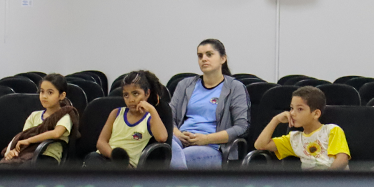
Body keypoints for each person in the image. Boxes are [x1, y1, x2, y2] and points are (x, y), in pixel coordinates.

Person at [170, 39, 250, 169]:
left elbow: (241, 127)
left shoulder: (235, 87)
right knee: (166, 146)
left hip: (212, 146)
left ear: (223, 59)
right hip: (181, 139)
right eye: (200, 56)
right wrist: (177, 133)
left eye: (209, 54)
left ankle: (178, 185)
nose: (203, 59)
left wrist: (206, 139)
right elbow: (169, 117)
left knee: (178, 156)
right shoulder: (185, 84)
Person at [254, 86, 350, 170]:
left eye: (300, 109)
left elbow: (342, 160)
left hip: (334, 180)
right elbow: (261, 145)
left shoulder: (332, 130)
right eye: (291, 108)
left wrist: (323, 179)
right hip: (309, 185)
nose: (292, 113)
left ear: (316, 114)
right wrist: (276, 120)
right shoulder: (294, 139)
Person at [89, 71, 170, 168]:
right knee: (92, 157)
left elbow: (162, 137)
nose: (131, 99)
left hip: (127, 165)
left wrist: (152, 109)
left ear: (147, 93)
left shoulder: (150, 118)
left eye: (136, 93)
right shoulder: (116, 113)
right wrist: (115, 156)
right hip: (107, 157)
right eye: (126, 95)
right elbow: (101, 143)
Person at [0, 73, 80, 165]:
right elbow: (24, 137)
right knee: (5, 167)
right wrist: (13, 152)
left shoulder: (65, 115)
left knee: (23, 169)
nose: (44, 96)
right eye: (42, 92)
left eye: (50, 92)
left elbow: (56, 133)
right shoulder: (34, 115)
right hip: (28, 154)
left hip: (48, 157)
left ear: (62, 95)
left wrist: (29, 140)